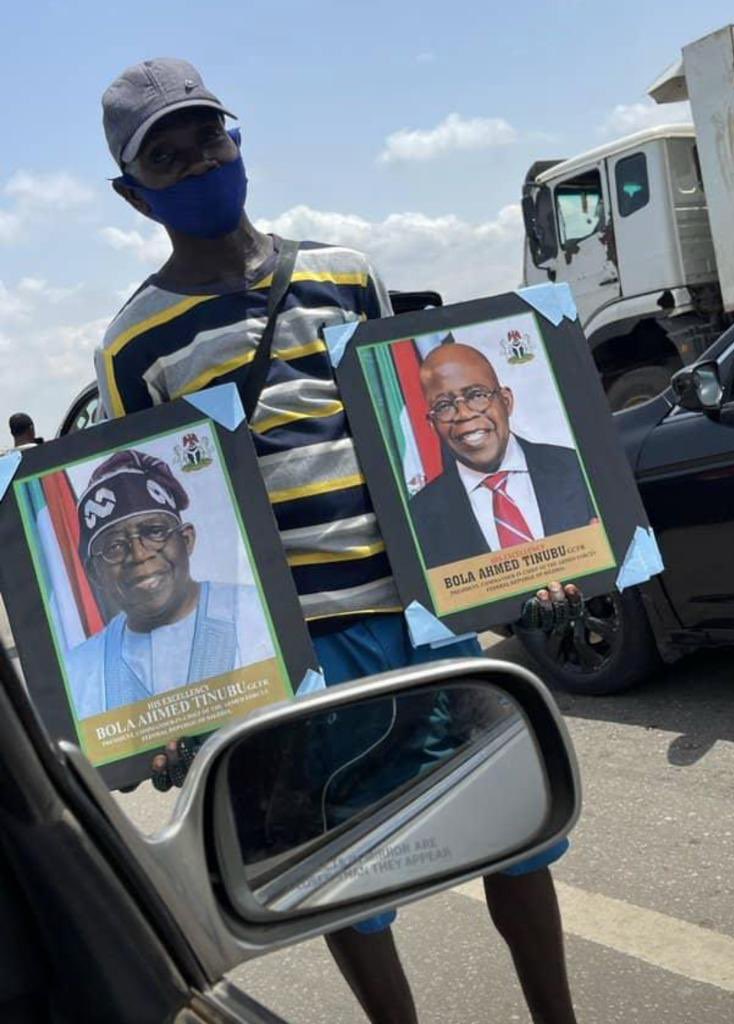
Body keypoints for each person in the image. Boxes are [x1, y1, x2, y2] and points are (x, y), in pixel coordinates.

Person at [97, 58, 578, 1023]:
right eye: (169, 156)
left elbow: (412, 435)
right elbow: (166, 517)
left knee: (515, 831)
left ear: (239, 142)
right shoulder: (134, 344)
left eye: (210, 139)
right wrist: (169, 709)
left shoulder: (347, 276)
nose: (199, 164)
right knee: (349, 878)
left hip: (421, 615)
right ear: (132, 193)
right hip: (304, 651)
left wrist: (537, 561)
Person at [67, 449, 274, 718]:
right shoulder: (77, 672)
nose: (140, 555)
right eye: (115, 546)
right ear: (95, 573)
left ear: (186, 539)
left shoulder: (261, 612)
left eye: (154, 532)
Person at [410, 341, 596, 567]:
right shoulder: (418, 517)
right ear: (432, 424)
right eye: (443, 406)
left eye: (477, 395)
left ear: (506, 402)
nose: (464, 414)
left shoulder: (580, 468)